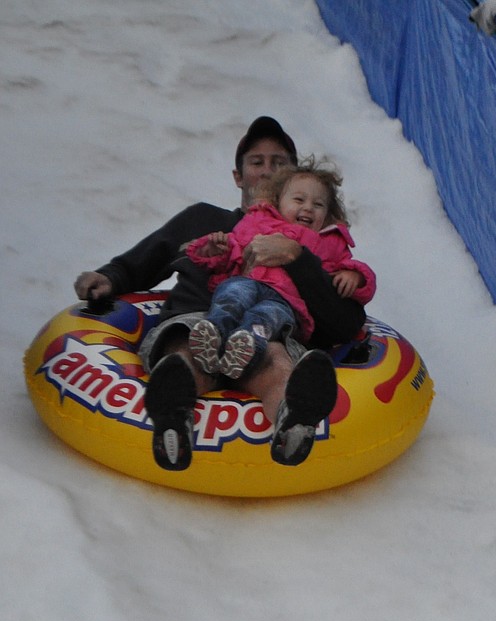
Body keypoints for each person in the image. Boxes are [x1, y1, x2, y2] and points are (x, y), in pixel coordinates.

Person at [74, 117, 366, 472]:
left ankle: (293, 425)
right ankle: (173, 420)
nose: (267, 171)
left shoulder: (318, 245)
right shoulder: (205, 220)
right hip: (198, 323)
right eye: (256, 163)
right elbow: (146, 258)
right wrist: (110, 277)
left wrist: (298, 259)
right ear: (238, 177)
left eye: (279, 163)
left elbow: (346, 324)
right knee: (189, 344)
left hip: (266, 335)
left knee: (276, 359)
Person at [184, 159, 376, 464]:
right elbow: (233, 250)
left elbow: (351, 269)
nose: (308, 208)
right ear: (279, 202)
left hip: (284, 302)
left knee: (267, 320)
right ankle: (214, 334)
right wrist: (211, 250)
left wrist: (355, 277)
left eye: (318, 204)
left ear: (329, 214)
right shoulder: (258, 224)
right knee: (231, 296)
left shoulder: (329, 243)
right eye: (299, 200)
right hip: (247, 284)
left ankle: (247, 345)